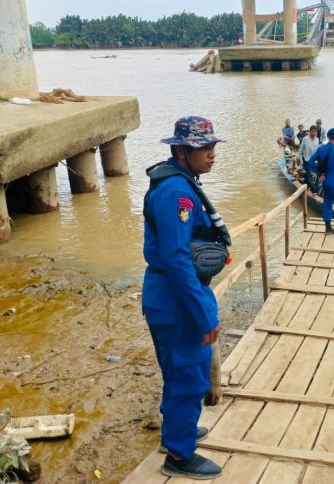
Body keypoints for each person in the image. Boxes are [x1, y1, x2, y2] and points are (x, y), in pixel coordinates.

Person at [142, 116, 228, 480]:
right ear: (180, 150)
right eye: (201, 148)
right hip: (177, 299)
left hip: (169, 294)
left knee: (178, 369)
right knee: (189, 376)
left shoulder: (179, 182)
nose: (210, 154)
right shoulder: (176, 193)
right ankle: (179, 455)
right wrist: (204, 316)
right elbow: (178, 259)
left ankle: (175, 432)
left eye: (211, 146)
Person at [299, 125, 320, 192]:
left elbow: (317, 151)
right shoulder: (305, 139)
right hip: (306, 160)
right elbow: (301, 149)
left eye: (316, 132)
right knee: (310, 175)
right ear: (310, 131)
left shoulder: (317, 139)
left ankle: (306, 185)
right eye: (313, 131)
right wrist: (298, 158)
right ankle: (314, 191)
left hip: (314, 161)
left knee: (317, 175)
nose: (314, 133)